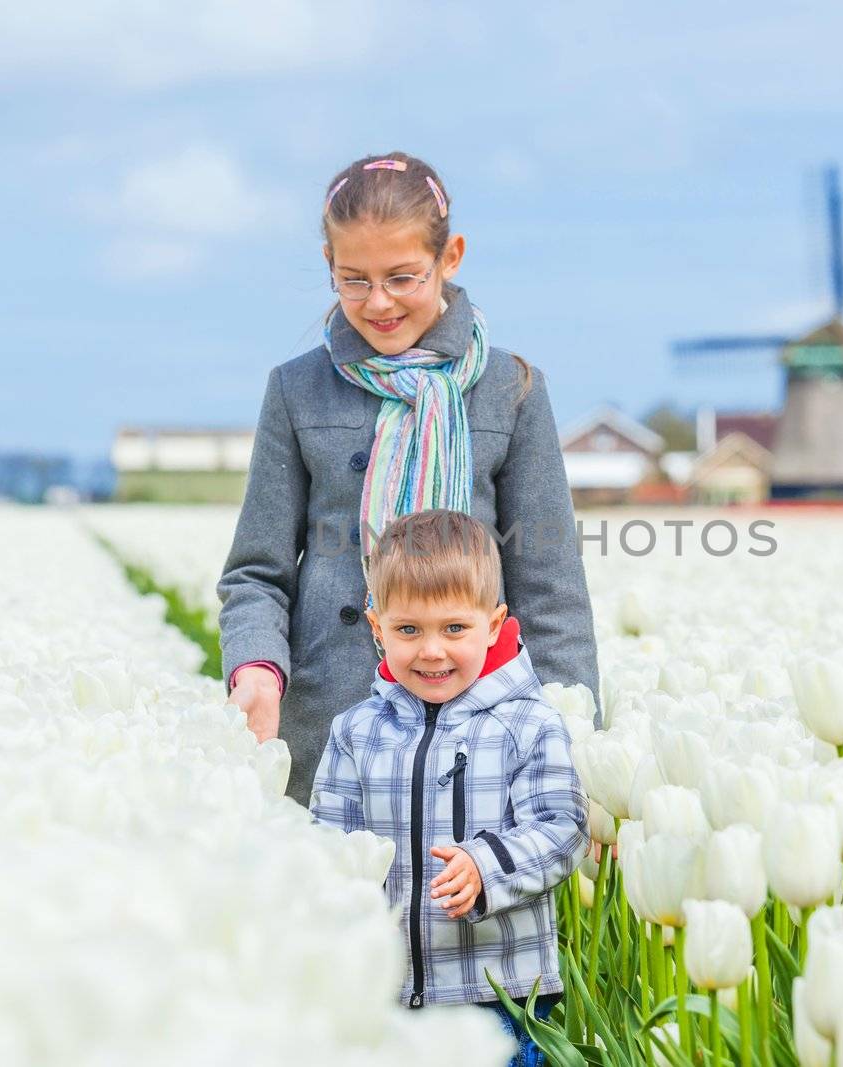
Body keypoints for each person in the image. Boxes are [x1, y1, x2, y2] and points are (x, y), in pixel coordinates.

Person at [217, 150, 600, 806]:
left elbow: (551, 587)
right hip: (329, 724)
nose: (379, 301)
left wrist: (578, 751)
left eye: (402, 276)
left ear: (450, 257)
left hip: (482, 728)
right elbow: (257, 573)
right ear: (328, 268)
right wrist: (255, 666)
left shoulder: (510, 389)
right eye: (354, 279)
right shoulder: (298, 389)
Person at [310, 510, 588, 1062]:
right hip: (384, 989)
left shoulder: (529, 724)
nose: (432, 650)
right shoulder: (355, 731)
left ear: (494, 623)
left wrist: (488, 865)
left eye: (454, 628)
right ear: (376, 627)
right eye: (408, 630)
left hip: (502, 996)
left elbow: (564, 827)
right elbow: (326, 840)